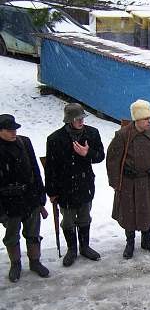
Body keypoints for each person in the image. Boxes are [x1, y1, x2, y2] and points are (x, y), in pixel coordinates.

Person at [45, 103, 105, 267]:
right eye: (77, 119)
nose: (81, 121)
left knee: (85, 217)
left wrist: (87, 154)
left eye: (82, 118)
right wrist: (51, 191)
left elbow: (100, 156)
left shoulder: (92, 133)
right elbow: (50, 167)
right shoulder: (55, 139)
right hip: (65, 187)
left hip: (85, 183)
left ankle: (84, 247)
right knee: (68, 220)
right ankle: (72, 249)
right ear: (69, 120)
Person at [106, 99, 150, 259]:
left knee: (147, 211)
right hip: (129, 183)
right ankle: (130, 243)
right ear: (137, 119)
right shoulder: (123, 135)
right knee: (129, 213)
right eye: (146, 118)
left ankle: (146, 241)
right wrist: (115, 183)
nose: (149, 121)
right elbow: (112, 160)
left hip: (148, 181)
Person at [0, 114, 49, 282]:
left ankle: (35, 261)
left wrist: (41, 195)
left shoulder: (24, 142)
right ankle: (15, 264)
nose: (13, 133)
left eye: (15, 129)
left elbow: (35, 169)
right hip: (9, 201)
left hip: (30, 197)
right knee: (12, 236)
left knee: (33, 232)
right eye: (9, 130)